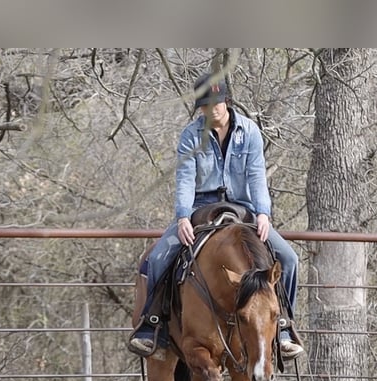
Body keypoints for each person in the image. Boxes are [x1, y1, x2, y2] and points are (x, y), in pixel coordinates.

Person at [128, 73, 304, 360]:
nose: (212, 110)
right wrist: (183, 216)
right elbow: (185, 177)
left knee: (290, 259)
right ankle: (152, 327)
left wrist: (263, 213)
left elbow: (256, 175)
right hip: (201, 207)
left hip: (243, 207)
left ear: (227, 101)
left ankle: (283, 327)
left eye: (217, 103)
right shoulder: (190, 135)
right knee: (157, 258)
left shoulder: (249, 132)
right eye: (206, 106)